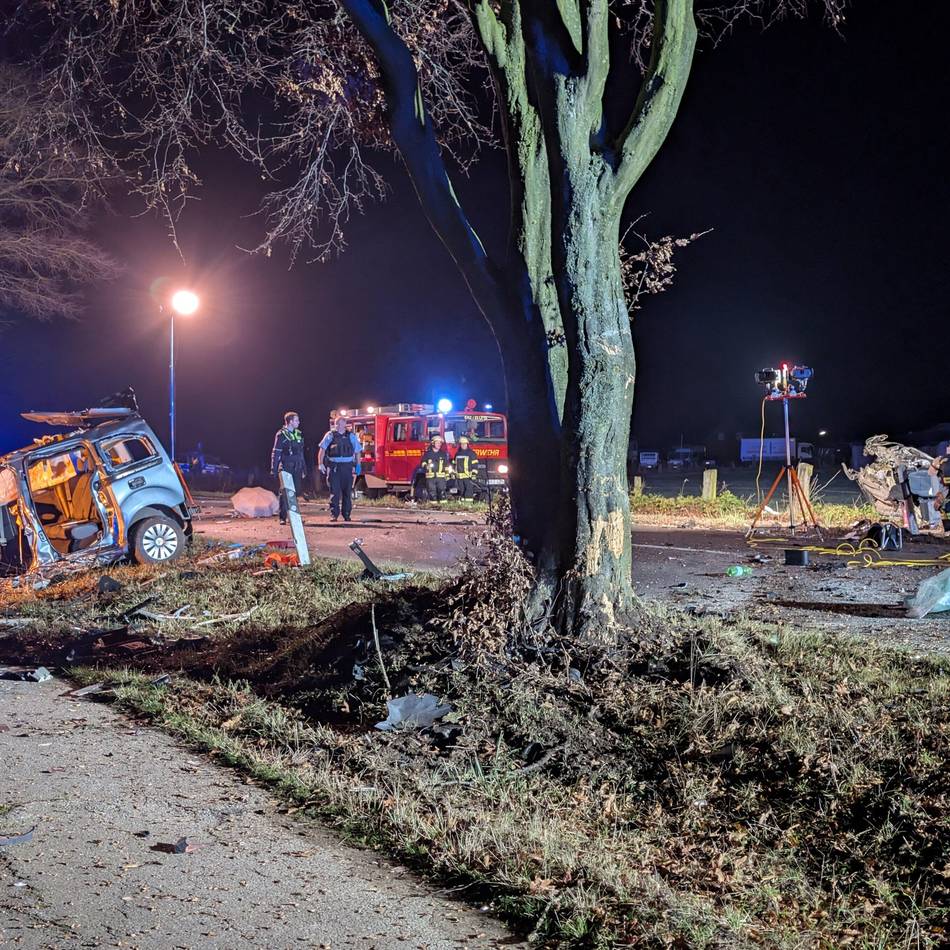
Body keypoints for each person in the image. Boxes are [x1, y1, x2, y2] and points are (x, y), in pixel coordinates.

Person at [318, 415, 362, 522]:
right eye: (336, 423)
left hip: (347, 467)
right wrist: (320, 463)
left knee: (347, 492)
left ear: (344, 424)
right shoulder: (330, 435)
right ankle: (334, 514)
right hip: (334, 467)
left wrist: (358, 465)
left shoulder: (351, 436)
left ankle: (347, 514)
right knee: (335, 492)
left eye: (339, 423)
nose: (337, 425)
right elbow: (322, 450)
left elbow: (357, 452)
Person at [271, 411, 306, 526]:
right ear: (290, 422)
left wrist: (304, 468)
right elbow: (276, 453)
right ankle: (283, 517)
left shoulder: (299, 434)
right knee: (285, 492)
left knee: (295, 493)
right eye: (296, 420)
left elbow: (301, 453)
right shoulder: (281, 435)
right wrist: (274, 469)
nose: (298, 422)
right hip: (286, 467)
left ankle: (294, 517)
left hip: (297, 467)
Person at [420, 435, 451, 503]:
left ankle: (443, 507)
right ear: (433, 443)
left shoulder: (443, 454)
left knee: (442, 492)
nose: (439, 444)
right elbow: (422, 463)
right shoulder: (427, 454)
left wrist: (447, 475)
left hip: (441, 477)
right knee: (432, 493)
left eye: (440, 443)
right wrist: (426, 466)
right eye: (437, 443)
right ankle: (433, 507)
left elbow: (446, 465)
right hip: (430, 477)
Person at [452, 435, 480, 501]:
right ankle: (463, 505)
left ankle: (468, 504)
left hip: (468, 476)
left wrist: (473, 474)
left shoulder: (471, 453)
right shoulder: (457, 454)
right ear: (460, 445)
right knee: (462, 491)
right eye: (462, 444)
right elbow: (454, 464)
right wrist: (453, 474)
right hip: (459, 477)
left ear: (467, 444)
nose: (463, 445)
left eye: (464, 444)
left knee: (468, 490)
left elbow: (475, 465)